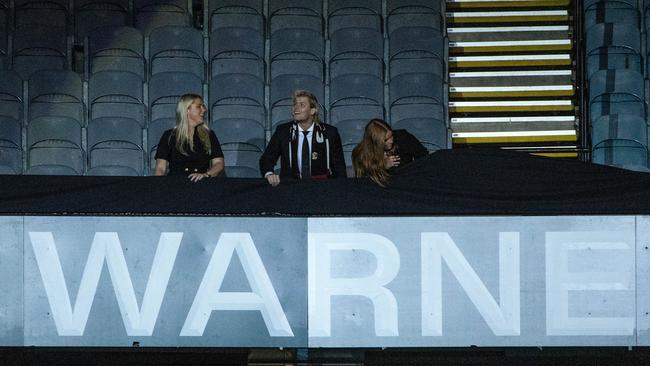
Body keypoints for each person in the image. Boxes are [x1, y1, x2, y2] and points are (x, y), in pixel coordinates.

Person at [259, 89, 347, 186]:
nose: (296, 108)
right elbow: (266, 159)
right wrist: (269, 174)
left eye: (302, 105)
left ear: (313, 110)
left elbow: (339, 167)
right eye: (295, 105)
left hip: (321, 189)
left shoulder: (329, 133)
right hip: (290, 188)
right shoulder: (283, 131)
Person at [154, 93, 224, 182]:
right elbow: (160, 168)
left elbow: (218, 163)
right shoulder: (169, 136)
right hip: (175, 184)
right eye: (199, 106)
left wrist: (206, 175)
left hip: (201, 184)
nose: (204, 110)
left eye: (203, 106)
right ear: (187, 110)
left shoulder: (209, 135)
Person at [352, 118, 428, 187]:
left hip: (406, 184)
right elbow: (362, 182)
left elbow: (424, 156)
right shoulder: (360, 153)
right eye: (386, 140)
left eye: (391, 136)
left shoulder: (402, 137)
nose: (391, 140)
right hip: (381, 190)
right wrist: (382, 166)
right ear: (375, 142)